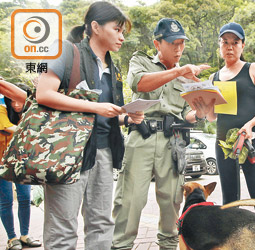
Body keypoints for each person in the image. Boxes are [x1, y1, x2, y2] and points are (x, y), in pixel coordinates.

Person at [36, 2, 143, 250]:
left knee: (101, 224)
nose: (121, 36)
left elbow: (107, 112)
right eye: (117, 29)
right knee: (63, 228)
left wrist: (127, 117)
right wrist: (96, 107)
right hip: (68, 153)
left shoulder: (112, 67)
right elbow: (43, 93)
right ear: (95, 27)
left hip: (104, 152)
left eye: (122, 31)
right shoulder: (64, 50)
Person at [111, 18, 211, 250]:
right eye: (173, 43)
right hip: (141, 138)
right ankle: (121, 246)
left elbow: (186, 113)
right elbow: (139, 84)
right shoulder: (141, 61)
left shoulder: (189, 75)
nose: (178, 49)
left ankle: (168, 246)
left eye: (182, 43)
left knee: (172, 203)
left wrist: (199, 113)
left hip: (172, 142)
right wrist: (179, 72)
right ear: (158, 44)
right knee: (130, 201)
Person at [206, 22, 255, 216]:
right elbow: (212, 117)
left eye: (235, 42)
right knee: (229, 200)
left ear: (242, 45)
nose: (229, 47)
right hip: (224, 144)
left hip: (251, 141)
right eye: (225, 42)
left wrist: (250, 124)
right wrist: (203, 106)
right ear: (219, 45)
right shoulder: (214, 77)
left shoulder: (252, 69)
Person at [0, 82, 41, 250]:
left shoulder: (30, 111)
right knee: (6, 201)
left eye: (19, 101)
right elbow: (9, 128)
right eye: (12, 101)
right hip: (1, 162)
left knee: (25, 199)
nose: (16, 105)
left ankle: (24, 235)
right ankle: (11, 238)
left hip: (22, 162)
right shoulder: (2, 110)